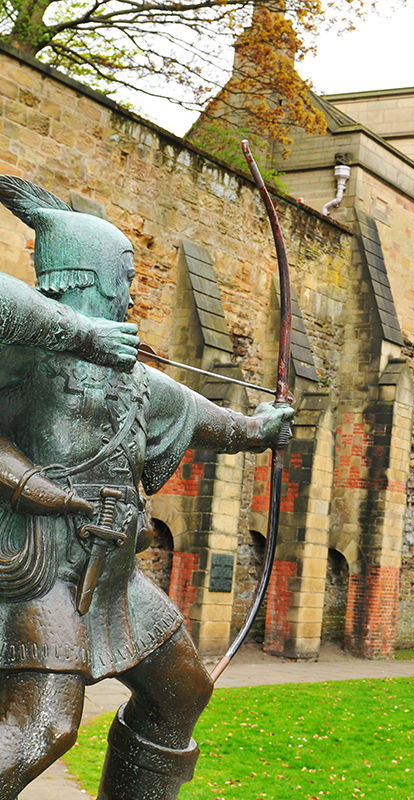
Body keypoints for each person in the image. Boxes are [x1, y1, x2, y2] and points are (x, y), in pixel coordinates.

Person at [0, 175, 293, 800]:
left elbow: (202, 415)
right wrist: (82, 335)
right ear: (89, 276)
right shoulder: (22, 351)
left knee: (180, 693)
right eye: (124, 277)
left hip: (111, 576)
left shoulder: (127, 375)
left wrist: (259, 430)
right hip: (38, 570)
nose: (130, 294)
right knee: (40, 729)